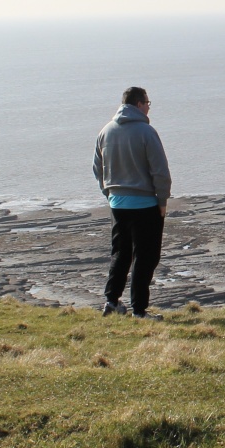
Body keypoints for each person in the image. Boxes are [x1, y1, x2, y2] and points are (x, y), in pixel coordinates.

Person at [92, 86, 171, 317]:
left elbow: (98, 170)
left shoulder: (105, 131)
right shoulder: (146, 132)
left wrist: (109, 193)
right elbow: (160, 171)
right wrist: (162, 200)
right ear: (138, 104)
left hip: (118, 204)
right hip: (145, 205)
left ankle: (111, 301)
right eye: (147, 102)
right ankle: (139, 309)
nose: (148, 107)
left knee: (121, 253)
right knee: (145, 257)